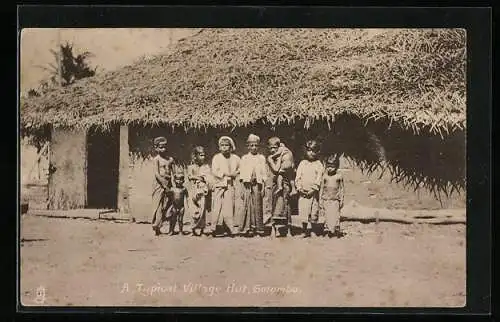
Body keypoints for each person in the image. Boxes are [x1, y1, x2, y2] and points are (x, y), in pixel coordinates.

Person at [211, 136, 240, 237]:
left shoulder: (235, 158)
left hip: (230, 185)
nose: (224, 147)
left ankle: (230, 227)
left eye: (226, 145)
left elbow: (239, 169)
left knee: (228, 206)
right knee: (217, 206)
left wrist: (234, 174)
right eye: (222, 145)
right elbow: (215, 171)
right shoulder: (217, 157)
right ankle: (213, 227)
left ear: (231, 147)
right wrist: (225, 174)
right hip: (219, 184)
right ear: (219, 147)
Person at [266, 137, 296, 236]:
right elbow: (276, 169)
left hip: (285, 183)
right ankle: (273, 230)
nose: (273, 150)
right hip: (275, 184)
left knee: (286, 205)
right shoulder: (270, 158)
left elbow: (290, 168)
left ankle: (288, 230)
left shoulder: (285, 155)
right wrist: (280, 155)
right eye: (271, 148)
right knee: (274, 206)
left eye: (275, 147)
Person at [238, 134, 267, 237]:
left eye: (256, 145)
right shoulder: (244, 158)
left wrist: (263, 186)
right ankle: (248, 228)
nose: (254, 147)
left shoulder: (261, 158)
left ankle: (259, 229)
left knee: (258, 207)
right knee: (247, 206)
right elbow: (241, 175)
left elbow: (263, 174)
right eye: (252, 145)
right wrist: (242, 188)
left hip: (257, 185)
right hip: (247, 185)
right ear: (248, 146)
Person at [295, 140, 324, 238]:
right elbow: (298, 177)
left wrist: (314, 189)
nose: (311, 153)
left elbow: (319, 178)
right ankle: (304, 230)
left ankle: (313, 230)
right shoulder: (302, 163)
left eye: (314, 151)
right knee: (303, 211)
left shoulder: (319, 164)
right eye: (309, 150)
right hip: (303, 193)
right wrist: (299, 188)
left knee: (313, 211)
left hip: (313, 193)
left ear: (317, 152)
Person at [187, 146, 212, 236]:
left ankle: (201, 229)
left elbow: (208, 178)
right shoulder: (191, 167)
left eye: (204, 155)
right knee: (193, 210)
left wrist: (200, 178)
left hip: (202, 190)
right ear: (195, 156)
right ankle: (193, 229)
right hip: (193, 190)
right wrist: (200, 177)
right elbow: (190, 177)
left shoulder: (206, 167)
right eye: (201, 155)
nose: (203, 157)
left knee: (202, 209)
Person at [151, 136, 174, 236]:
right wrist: (164, 184)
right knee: (158, 205)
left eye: (164, 147)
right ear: (156, 148)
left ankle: (166, 226)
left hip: (168, 183)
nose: (163, 149)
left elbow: (172, 172)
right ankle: (156, 227)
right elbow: (156, 173)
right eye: (160, 147)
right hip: (159, 184)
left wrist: (171, 184)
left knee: (168, 204)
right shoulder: (156, 159)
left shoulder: (169, 159)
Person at [319, 154, 345, 237]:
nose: (330, 168)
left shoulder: (339, 176)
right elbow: (322, 188)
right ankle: (329, 231)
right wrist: (320, 199)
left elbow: (342, 188)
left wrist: (342, 199)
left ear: (336, 166)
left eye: (332, 166)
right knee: (328, 215)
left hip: (335, 199)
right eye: (328, 166)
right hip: (326, 199)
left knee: (335, 215)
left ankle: (336, 230)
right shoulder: (325, 177)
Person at [165, 168, 189, 235]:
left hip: (181, 207)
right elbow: (168, 196)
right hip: (174, 207)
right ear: (174, 180)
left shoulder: (184, 189)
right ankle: (171, 231)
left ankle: (180, 231)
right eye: (177, 179)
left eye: (181, 179)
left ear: (183, 181)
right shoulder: (172, 189)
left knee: (180, 220)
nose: (179, 181)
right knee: (173, 220)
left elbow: (187, 197)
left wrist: (188, 205)